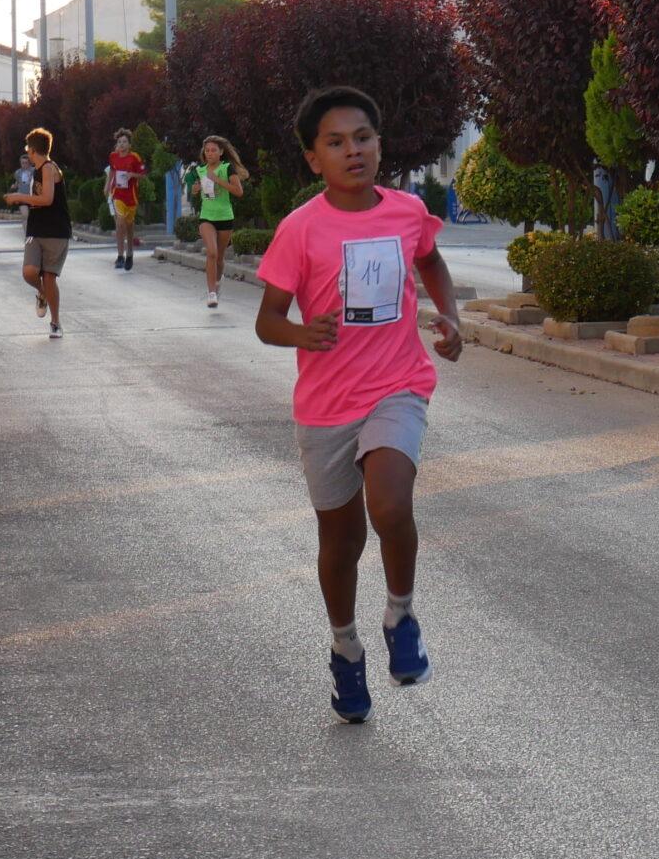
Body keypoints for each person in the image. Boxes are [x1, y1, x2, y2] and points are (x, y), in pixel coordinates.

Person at [255, 87, 464, 722]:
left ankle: (401, 615)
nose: (354, 151)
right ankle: (346, 649)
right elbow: (267, 321)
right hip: (326, 406)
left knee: (391, 504)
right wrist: (301, 334)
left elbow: (432, 263)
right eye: (336, 142)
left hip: (397, 385)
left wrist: (451, 318)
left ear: (379, 143)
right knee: (341, 540)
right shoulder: (300, 228)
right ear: (313, 158)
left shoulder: (407, 211)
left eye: (364, 137)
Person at [4, 128, 68, 338]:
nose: (27, 152)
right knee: (29, 272)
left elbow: (47, 199)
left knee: (49, 277)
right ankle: (42, 292)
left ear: (32, 150)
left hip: (56, 230)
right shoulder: (36, 170)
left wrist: (19, 197)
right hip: (36, 228)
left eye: (27, 149)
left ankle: (55, 323)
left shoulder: (49, 168)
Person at [188, 136, 249, 310]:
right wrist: (195, 189)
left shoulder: (227, 168)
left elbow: (238, 192)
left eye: (213, 150)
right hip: (207, 216)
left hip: (225, 217)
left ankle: (217, 281)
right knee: (212, 253)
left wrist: (217, 180)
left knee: (220, 258)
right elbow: (194, 189)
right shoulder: (200, 170)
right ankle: (211, 293)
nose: (210, 153)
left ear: (221, 152)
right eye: (207, 150)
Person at [105, 129, 147, 271]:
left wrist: (132, 175)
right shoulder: (113, 156)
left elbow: (143, 174)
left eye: (124, 142)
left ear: (129, 145)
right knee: (120, 222)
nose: (122, 144)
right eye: (119, 142)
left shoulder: (134, 157)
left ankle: (129, 254)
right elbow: (112, 171)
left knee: (129, 226)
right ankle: (120, 256)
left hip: (131, 197)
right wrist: (107, 186)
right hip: (117, 195)